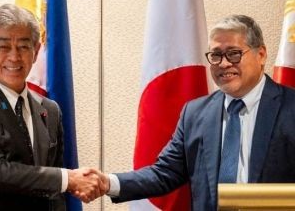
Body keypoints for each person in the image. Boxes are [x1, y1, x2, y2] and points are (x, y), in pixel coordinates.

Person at [83, 15, 295, 210]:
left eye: (233, 53)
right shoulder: (195, 113)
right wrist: (108, 182)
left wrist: (253, 200)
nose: (224, 63)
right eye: (216, 55)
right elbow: (165, 173)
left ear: (261, 54)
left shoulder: (290, 107)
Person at [0, 4, 103, 211]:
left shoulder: (50, 110)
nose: (14, 57)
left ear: (36, 52)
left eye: (23, 46)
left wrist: (66, 183)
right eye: (4, 46)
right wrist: (67, 178)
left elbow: (54, 195)